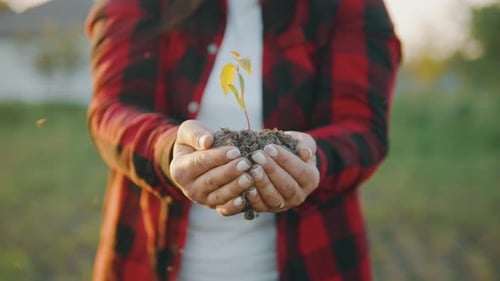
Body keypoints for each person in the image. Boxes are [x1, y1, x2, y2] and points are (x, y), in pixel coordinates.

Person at [85, 0, 401, 280]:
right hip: (148, 258)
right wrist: (167, 150)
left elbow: (360, 124)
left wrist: (311, 160)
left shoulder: (349, 6)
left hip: (315, 258)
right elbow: (113, 109)